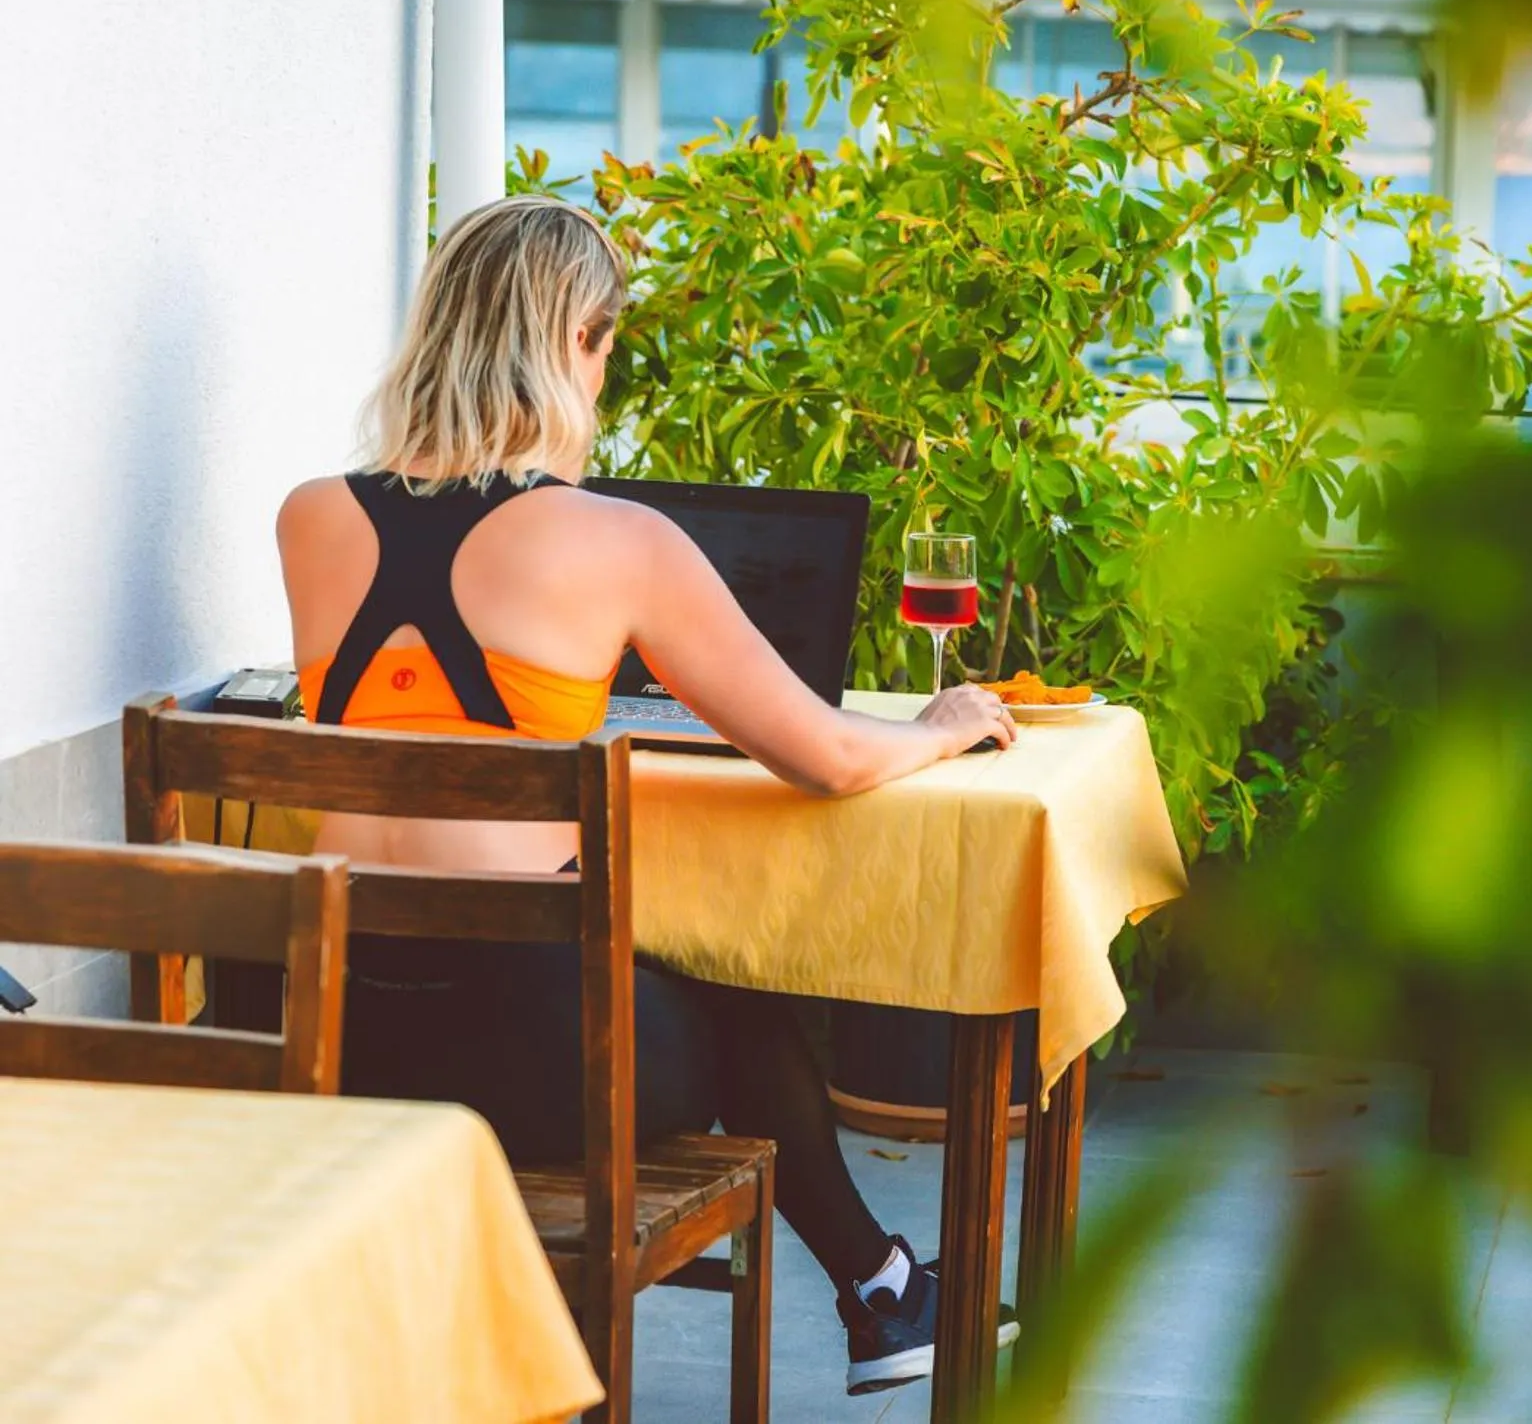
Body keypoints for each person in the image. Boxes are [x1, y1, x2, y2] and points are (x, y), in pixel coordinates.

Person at [276, 194, 1019, 1397]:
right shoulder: (619, 538)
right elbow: (827, 756)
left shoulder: (309, 516)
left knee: (655, 955)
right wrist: (934, 728)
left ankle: (884, 1286)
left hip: (331, 1028)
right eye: (604, 343)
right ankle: (884, 1288)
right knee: (731, 980)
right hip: (521, 1062)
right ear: (577, 339)